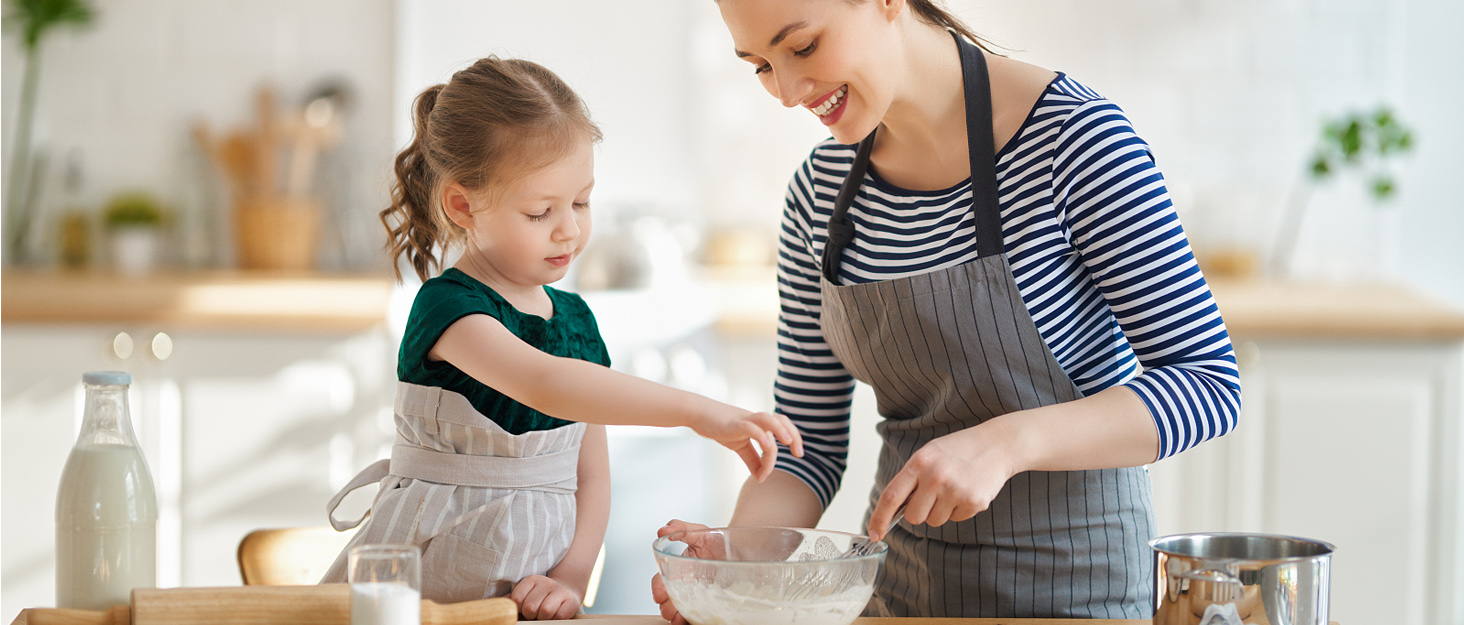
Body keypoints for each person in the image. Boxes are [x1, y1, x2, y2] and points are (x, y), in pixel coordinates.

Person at [653, 0, 1241, 620]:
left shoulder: (1075, 142)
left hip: (1077, 596)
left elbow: (1207, 386)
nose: (788, 92)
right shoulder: (819, 191)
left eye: (802, 47)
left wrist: (1007, 443)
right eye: (761, 66)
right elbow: (809, 444)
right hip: (899, 597)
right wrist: (734, 566)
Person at [319, 56, 803, 620]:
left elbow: (592, 477)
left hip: (529, 601)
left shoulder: (575, 321)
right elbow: (544, 383)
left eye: (581, 202)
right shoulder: (450, 308)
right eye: (540, 211)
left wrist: (571, 579)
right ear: (462, 205)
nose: (569, 229)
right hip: (423, 593)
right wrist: (700, 413)